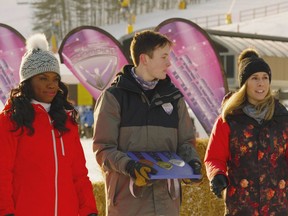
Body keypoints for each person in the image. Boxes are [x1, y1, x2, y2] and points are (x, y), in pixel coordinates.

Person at [93, 30, 202, 216]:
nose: (169, 63)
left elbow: (186, 142)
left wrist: (192, 162)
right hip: (128, 204)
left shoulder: (174, 98)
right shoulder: (113, 98)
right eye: (164, 57)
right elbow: (103, 149)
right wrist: (130, 166)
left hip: (166, 205)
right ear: (144, 59)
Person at [0, 33, 98, 216]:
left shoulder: (66, 120)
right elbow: (2, 173)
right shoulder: (10, 119)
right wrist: (5, 212)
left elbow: (79, 174)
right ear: (27, 82)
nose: (51, 85)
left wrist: (89, 210)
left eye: (55, 79)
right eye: (43, 78)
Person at [204, 48, 288, 215]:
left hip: (277, 206)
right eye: (254, 78)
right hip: (241, 206)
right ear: (244, 83)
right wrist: (217, 175)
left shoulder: (282, 118)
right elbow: (214, 157)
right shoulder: (228, 119)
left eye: (265, 78)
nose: (261, 83)